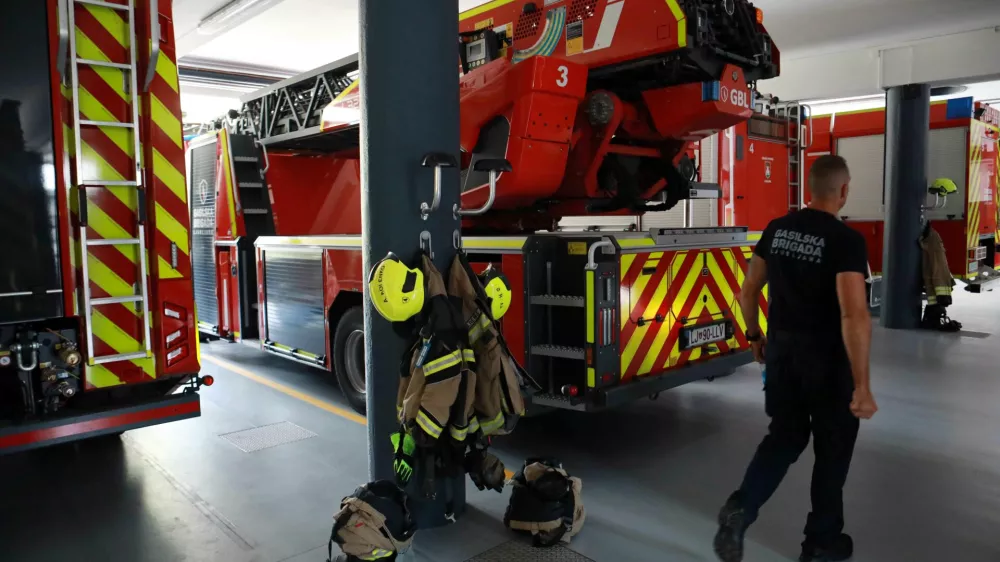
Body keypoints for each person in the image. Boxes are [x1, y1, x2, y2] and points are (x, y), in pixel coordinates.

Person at [713, 155, 878, 562]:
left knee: (784, 436)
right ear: (843, 191)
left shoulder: (777, 229)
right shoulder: (846, 241)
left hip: (782, 354)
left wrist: (754, 335)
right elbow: (853, 314)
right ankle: (821, 542)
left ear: (808, 189)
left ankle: (742, 506)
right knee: (832, 449)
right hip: (827, 361)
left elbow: (748, 291)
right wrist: (862, 386)